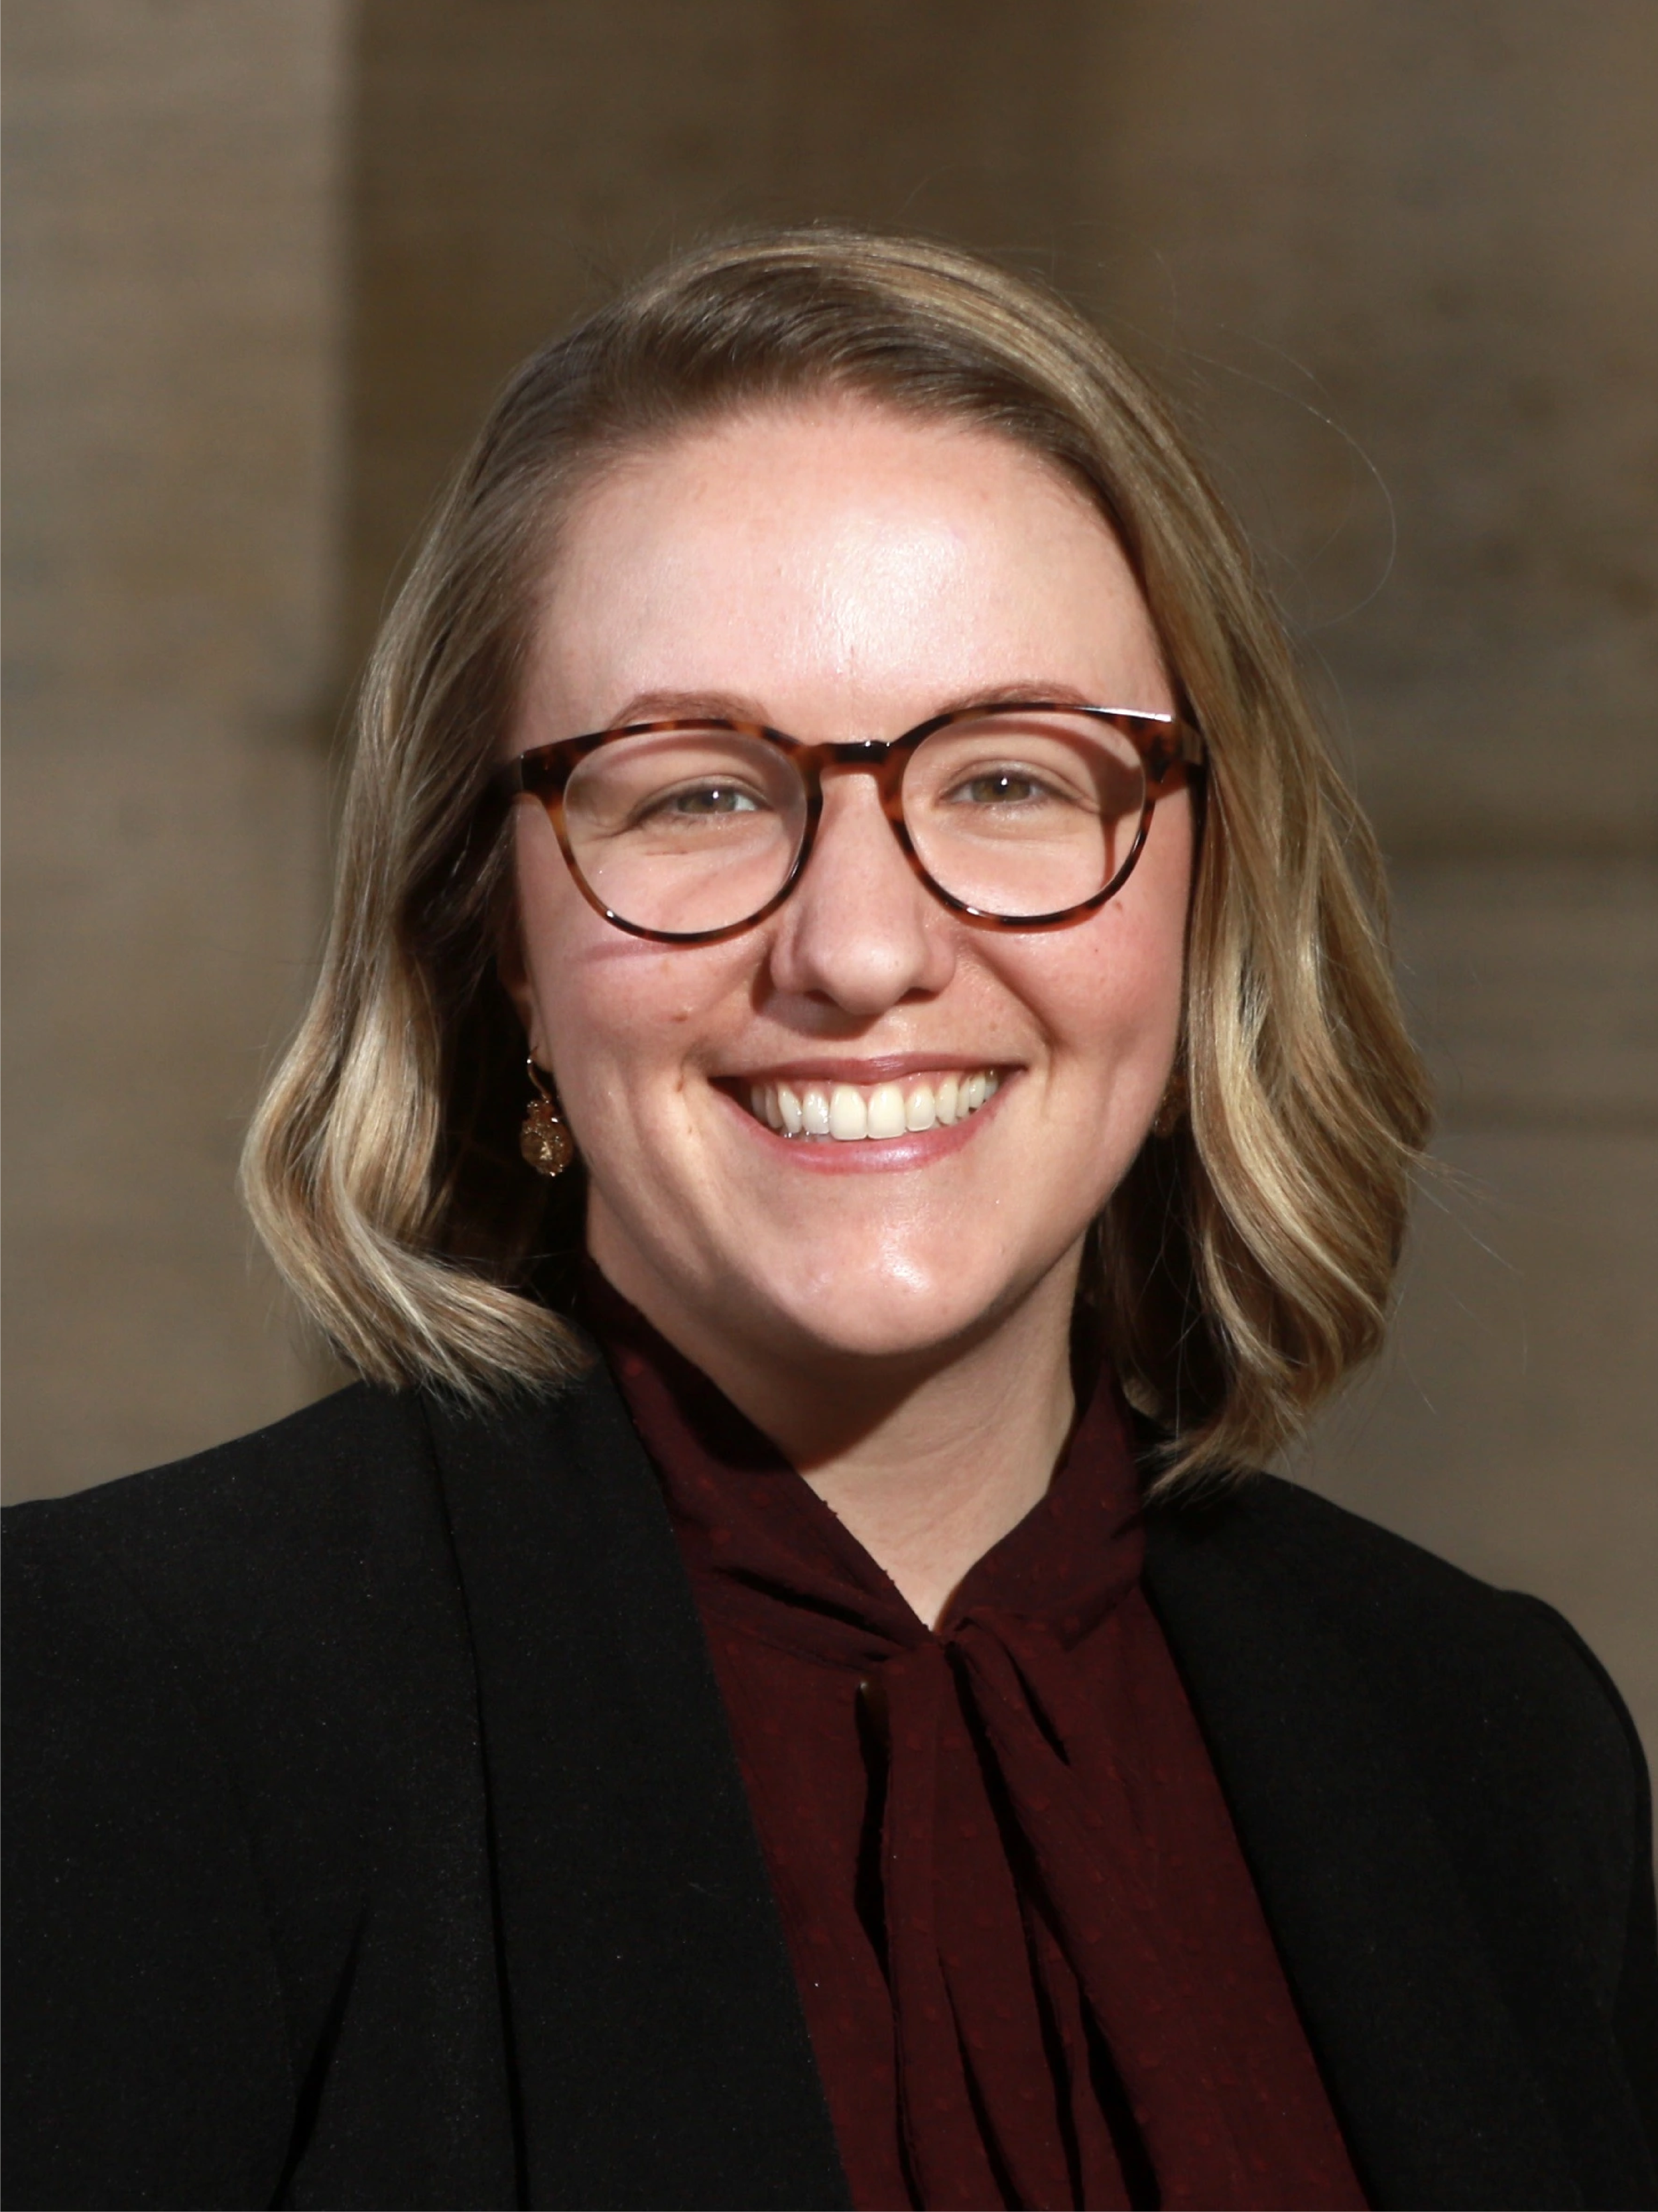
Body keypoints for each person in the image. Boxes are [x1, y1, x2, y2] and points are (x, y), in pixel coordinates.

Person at [2, 227, 1653, 2212]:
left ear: (1208, 890)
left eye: (1014, 780)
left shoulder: (1488, 1744)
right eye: (694, 795)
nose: (861, 951)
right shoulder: (114, 1715)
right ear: (496, 934)